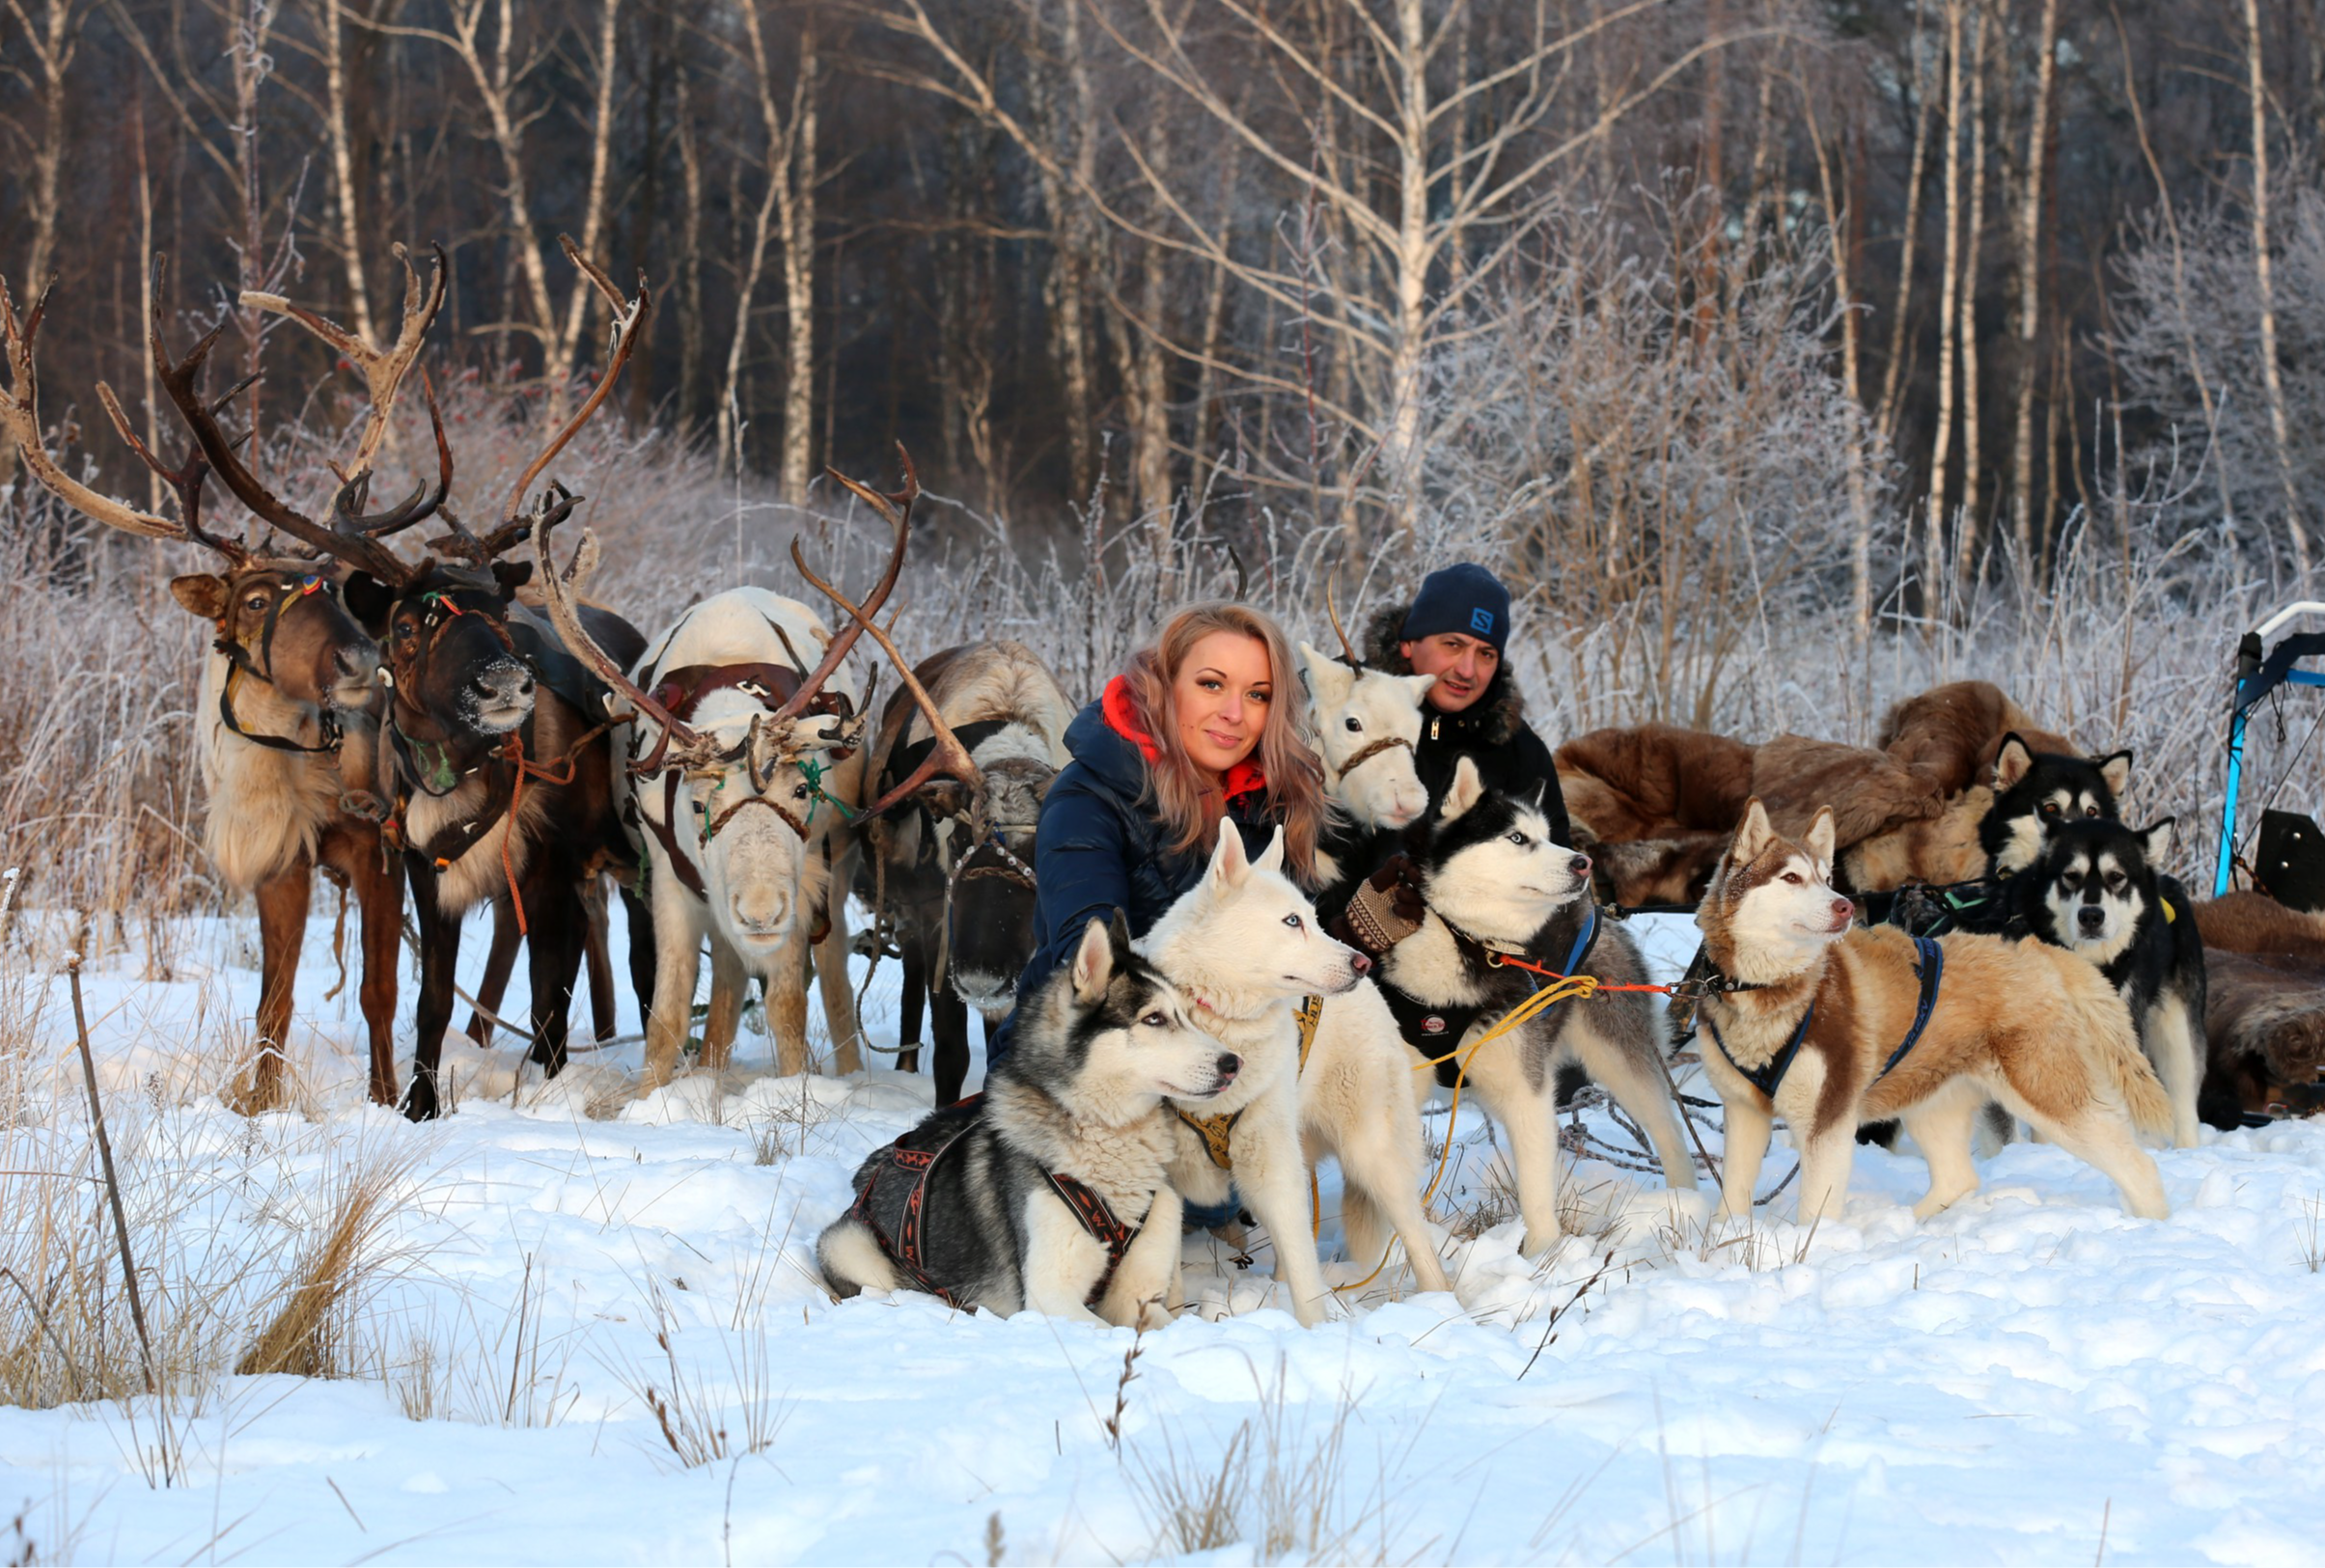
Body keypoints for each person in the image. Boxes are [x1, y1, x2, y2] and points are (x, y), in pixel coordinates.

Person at [985, 601, 1331, 1069]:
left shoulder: (1274, 800)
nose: (1235, 713)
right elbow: (1095, 969)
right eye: (1212, 684)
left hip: (1236, 1064)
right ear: (1162, 687)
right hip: (1087, 1072)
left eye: (1258, 695)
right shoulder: (1088, 800)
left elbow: (1301, 949)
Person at [1328, 563, 1576, 955]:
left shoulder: (1516, 751)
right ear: (1409, 644)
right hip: (1332, 945)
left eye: (1485, 654)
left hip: (1464, 964)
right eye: (1453, 644)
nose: (1467, 670)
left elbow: (1552, 870)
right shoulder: (1345, 709)